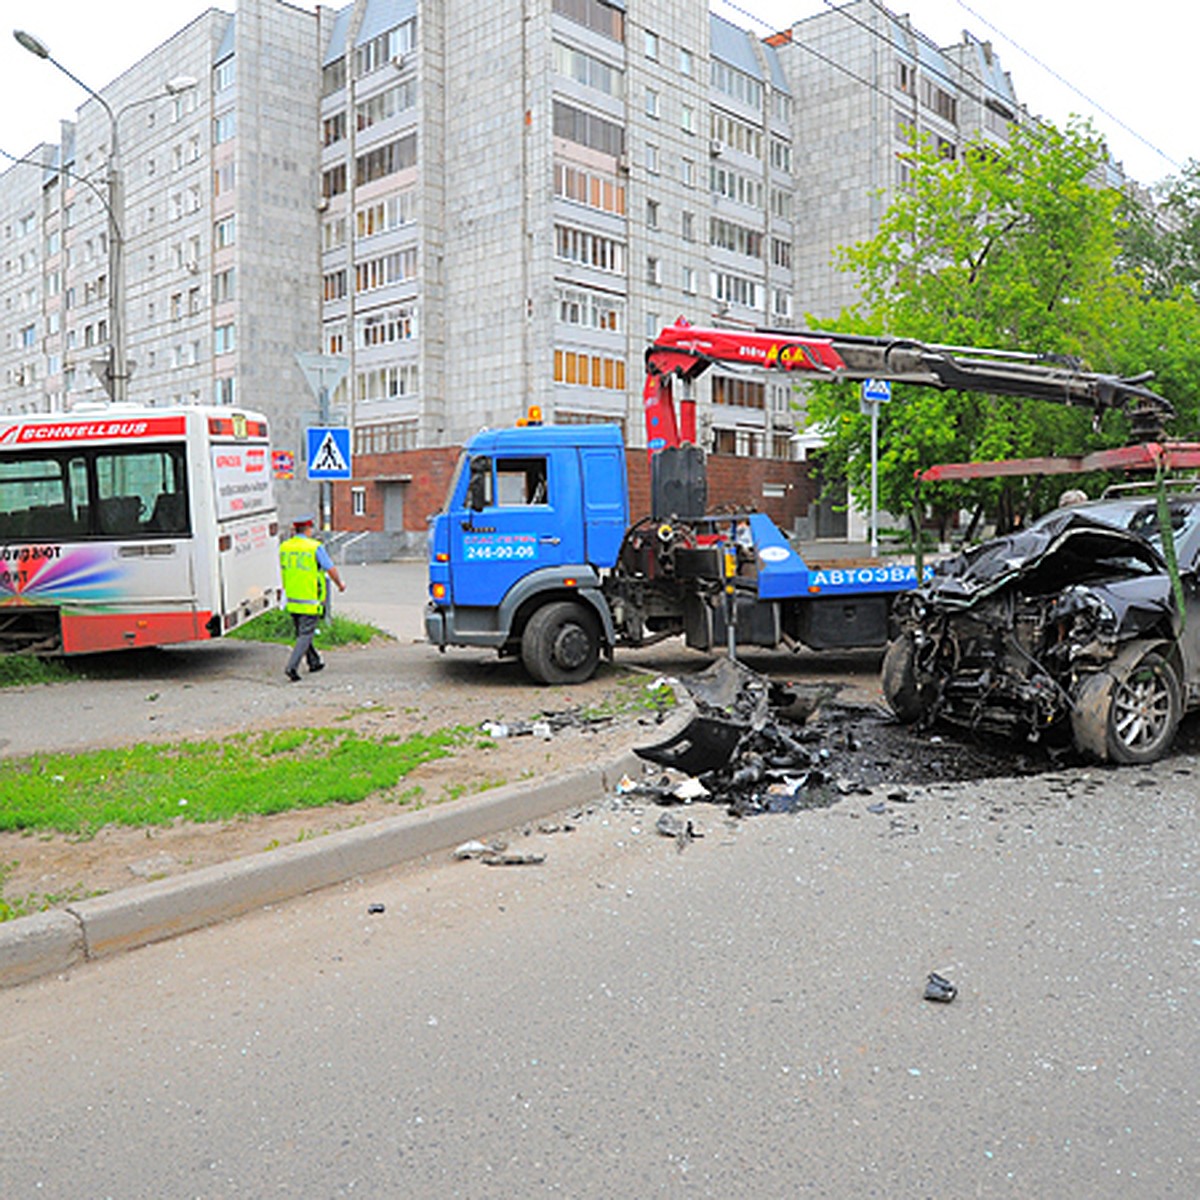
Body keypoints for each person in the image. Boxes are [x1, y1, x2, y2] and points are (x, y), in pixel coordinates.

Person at [278, 514, 345, 682]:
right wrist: (340, 584)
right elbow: (330, 568)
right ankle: (292, 667)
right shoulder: (313, 547)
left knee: (303, 632)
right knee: (305, 634)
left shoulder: (285, 547)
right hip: (310, 598)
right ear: (308, 529)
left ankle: (314, 661)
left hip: (292, 598)